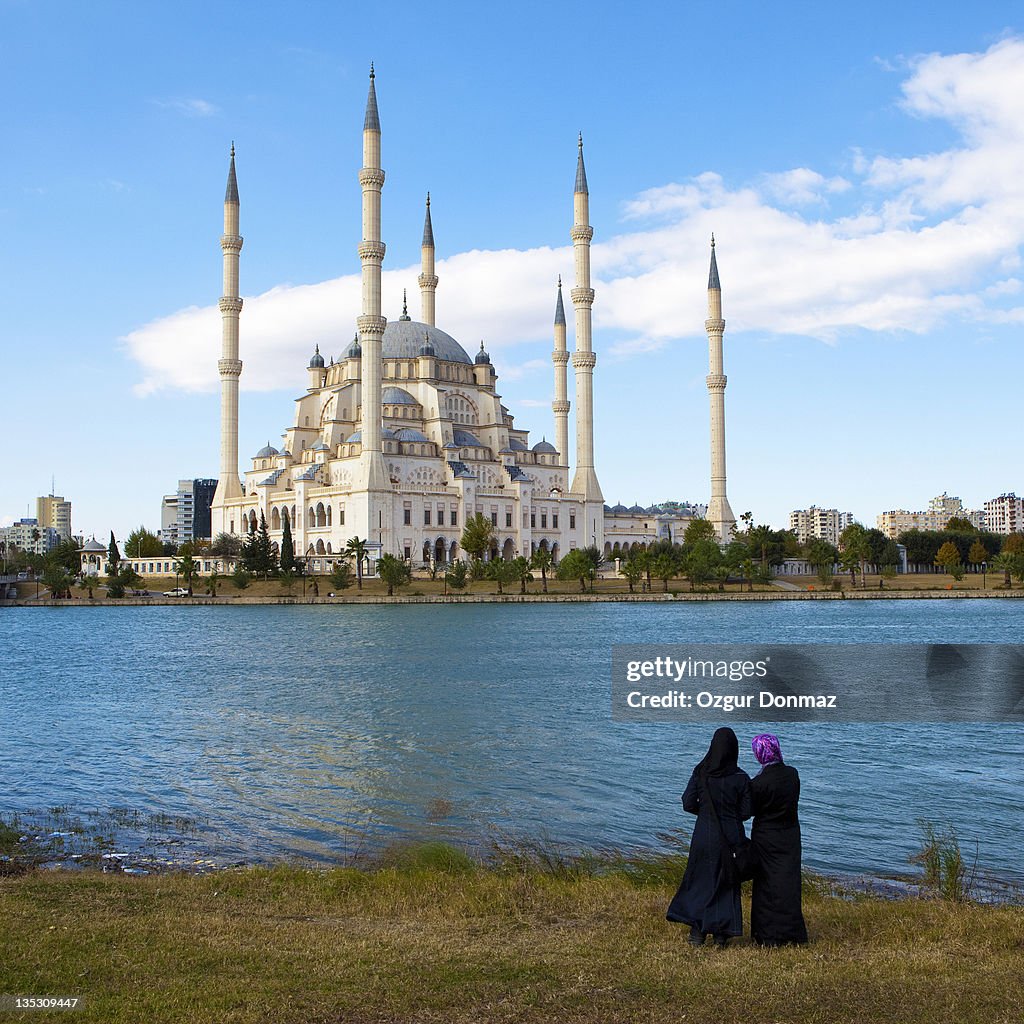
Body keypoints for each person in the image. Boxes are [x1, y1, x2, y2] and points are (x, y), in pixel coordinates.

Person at [666, 727, 752, 947]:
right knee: (726, 883)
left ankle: (697, 931)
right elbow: (746, 812)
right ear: (734, 749)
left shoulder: (701, 773)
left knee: (700, 881)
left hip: (704, 834)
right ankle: (722, 935)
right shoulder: (741, 777)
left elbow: (687, 803)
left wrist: (704, 814)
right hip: (731, 837)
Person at [749, 733, 808, 946]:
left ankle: (767, 934)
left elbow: (749, 811)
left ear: (760, 753)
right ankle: (792, 932)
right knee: (789, 883)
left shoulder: (758, 783)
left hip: (766, 836)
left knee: (766, 884)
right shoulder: (792, 774)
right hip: (790, 834)